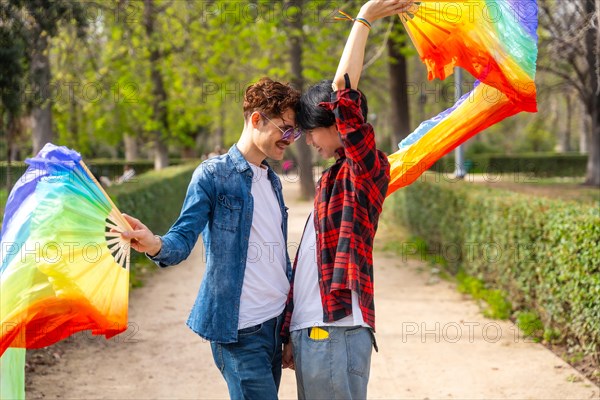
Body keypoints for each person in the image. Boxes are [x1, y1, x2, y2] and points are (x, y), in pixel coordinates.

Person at [120, 77, 301, 399]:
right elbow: (183, 237)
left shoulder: (272, 180)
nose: (290, 139)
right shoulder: (213, 175)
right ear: (256, 119)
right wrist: (155, 244)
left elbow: (277, 260)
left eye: (295, 132)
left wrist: (287, 329)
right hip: (240, 331)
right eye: (285, 128)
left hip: (275, 324)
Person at [280, 1, 413, 398]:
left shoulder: (365, 170)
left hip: (335, 329)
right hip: (316, 330)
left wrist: (365, 17)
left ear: (337, 123)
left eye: (309, 130)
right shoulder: (334, 177)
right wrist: (292, 329)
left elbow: (344, 94)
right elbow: (309, 265)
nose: (306, 140)